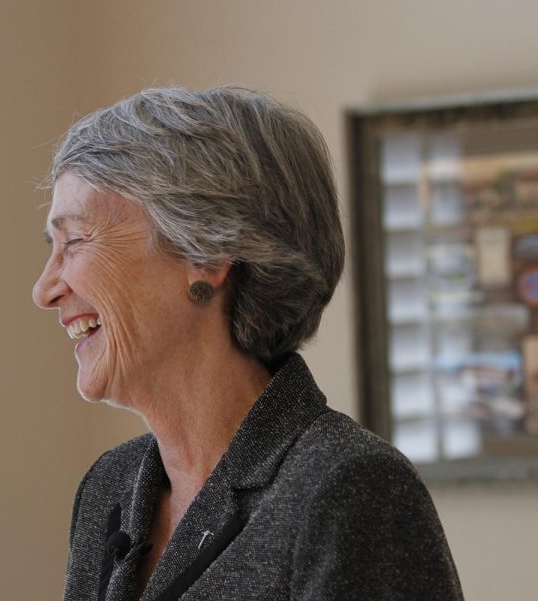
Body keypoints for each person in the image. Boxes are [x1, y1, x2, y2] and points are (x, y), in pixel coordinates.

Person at [32, 86, 463, 601]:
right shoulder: (110, 488)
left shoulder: (350, 490)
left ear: (208, 255)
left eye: (75, 241)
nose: (45, 289)